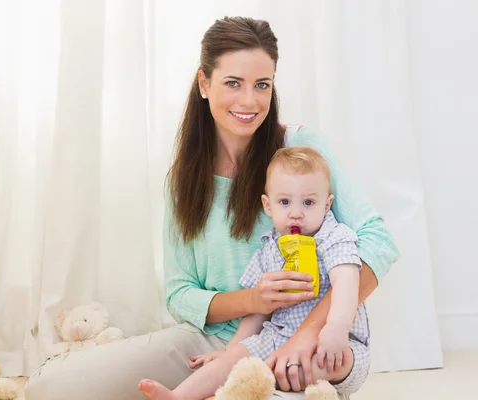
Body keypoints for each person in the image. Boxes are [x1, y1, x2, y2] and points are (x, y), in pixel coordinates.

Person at [23, 16, 399, 400]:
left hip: (297, 347)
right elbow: (179, 293)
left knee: (264, 388)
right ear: (204, 83)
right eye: (233, 83)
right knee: (47, 388)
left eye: (262, 85)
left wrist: (309, 334)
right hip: (214, 344)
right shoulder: (183, 179)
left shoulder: (300, 149)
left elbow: (377, 243)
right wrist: (254, 300)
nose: (249, 101)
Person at [138, 146, 369, 400]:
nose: (296, 212)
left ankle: (254, 384)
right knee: (236, 360)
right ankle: (177, 396)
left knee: (327, 363)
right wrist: (231, 351)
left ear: (327, 205)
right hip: (276, 338)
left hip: (337, 342)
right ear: (267, 206)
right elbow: (258, 311)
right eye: (284, 202)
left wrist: (335, 328)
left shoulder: (334, 238)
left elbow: (347, 283)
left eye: (308, 202)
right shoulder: (268, 249)